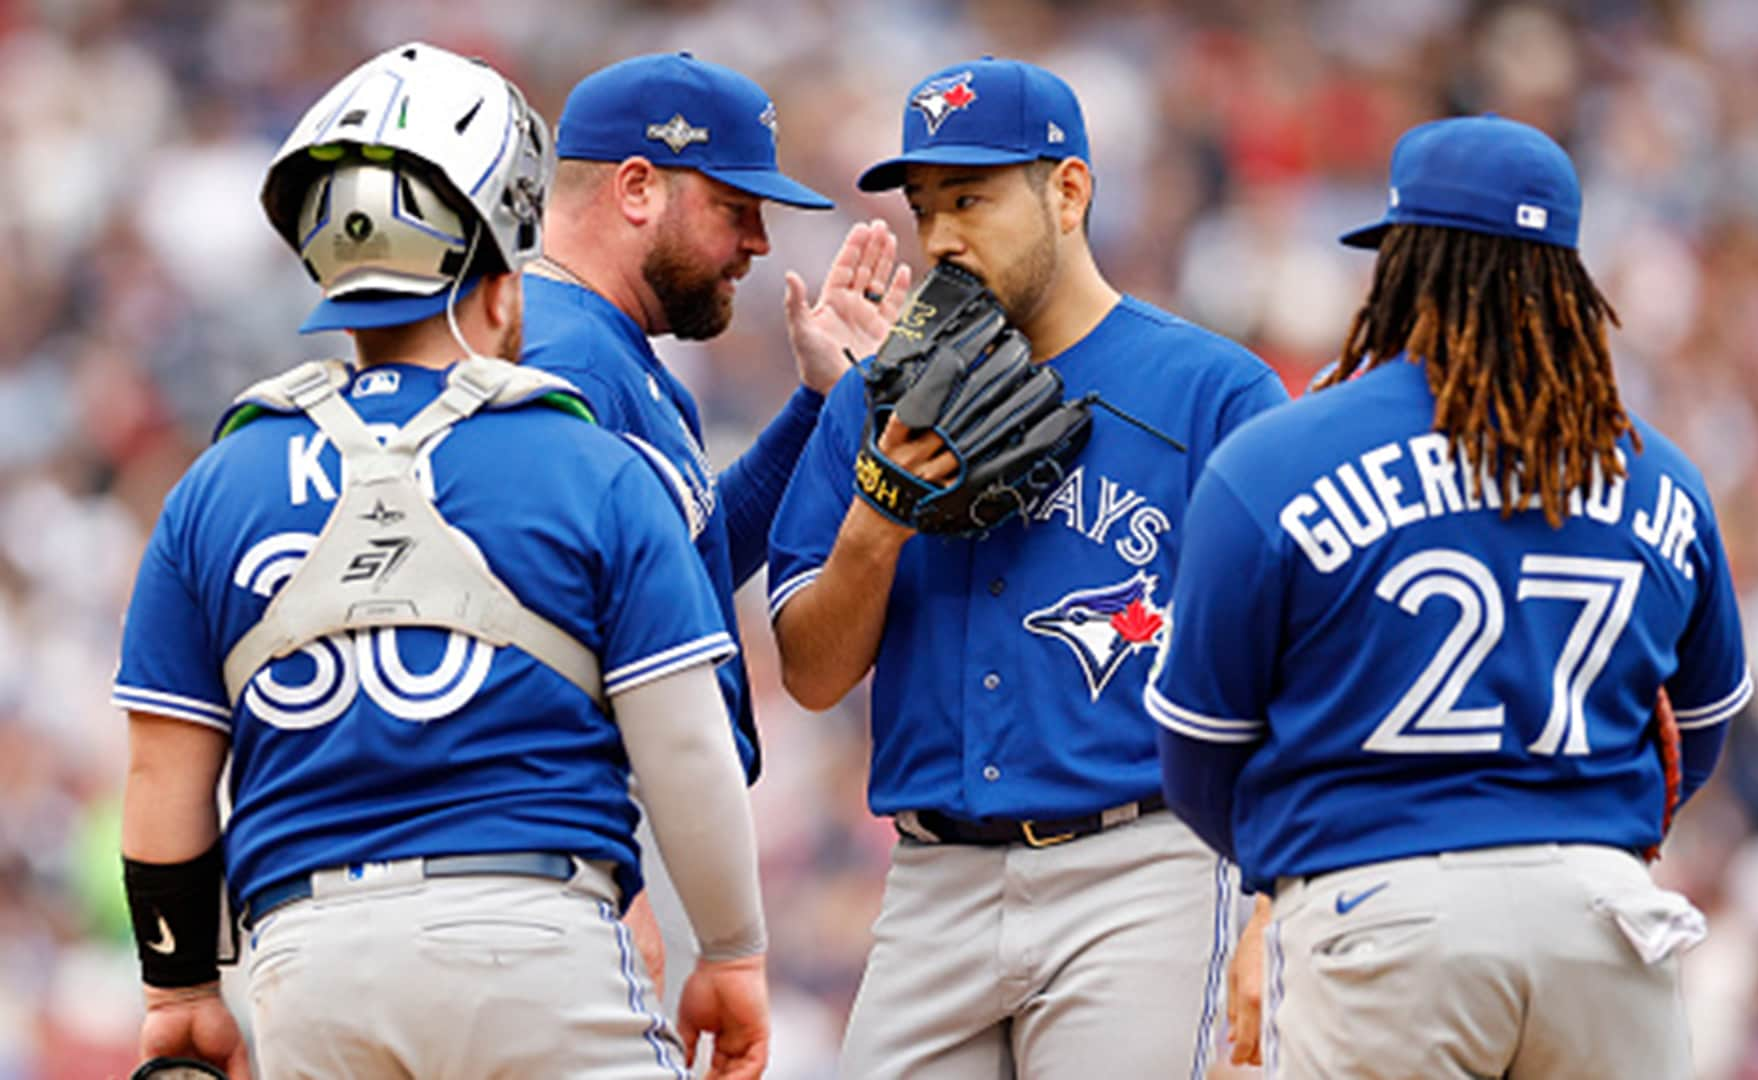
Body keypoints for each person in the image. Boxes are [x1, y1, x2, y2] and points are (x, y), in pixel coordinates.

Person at [113, 42, 770, 1079]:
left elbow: (162, 773)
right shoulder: (585, 462)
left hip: (305, 962)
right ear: (505, 283)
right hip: (533, 934)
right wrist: (731, 953)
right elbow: (685, 746)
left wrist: (179, 988)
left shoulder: (216, 483)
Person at [1148, 114, 1752, 1079]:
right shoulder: (1660, 476)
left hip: (1381, 910)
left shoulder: (1277, 461)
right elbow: (1704, 730)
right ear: (1566, 280)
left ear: (1399, 266)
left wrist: (1294, 871)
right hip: (1602, 921)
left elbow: (1195, 753)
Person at [768, 58, 1289, 1079]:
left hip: (1142, 870)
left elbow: (1292, 670)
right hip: (931, 887)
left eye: (971, 197)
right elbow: (811, 673)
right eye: (924, 208)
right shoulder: (874, 401)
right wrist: (879, 518)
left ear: (1068, 190)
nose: (943, 236)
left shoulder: (1213, 395)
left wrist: (1276, 898)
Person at [521, 53, 908, 1009]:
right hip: (590, 829)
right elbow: (524, 646)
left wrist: (822, 407)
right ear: (640, 188)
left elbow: (678, 576)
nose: (759, 242)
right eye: (735, 208)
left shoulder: (600, 346)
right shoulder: (556, 360)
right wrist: (616, 867)